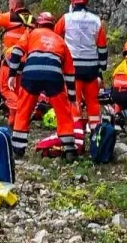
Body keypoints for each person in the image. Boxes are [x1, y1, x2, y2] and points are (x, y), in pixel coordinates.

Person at [7, 12, 77, 161]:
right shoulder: (60, 41)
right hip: (54, 76)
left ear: (38, 23)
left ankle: (18, 150)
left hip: (31, 74)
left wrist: (12, 74)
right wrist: (71, 96)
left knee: (23, 110)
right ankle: (70, 149)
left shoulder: (32, 33)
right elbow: (70, 73)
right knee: (63, 113)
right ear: (53, 26)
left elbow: (16, 51)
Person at [55, 0, 107, 143]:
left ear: (73, 2)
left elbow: (55, 37)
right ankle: (96, 134)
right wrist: (102, 67)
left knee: (74, 101)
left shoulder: (66, 18)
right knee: (93, 102)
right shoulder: (96, 20)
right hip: (91, 68)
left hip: (73, 67)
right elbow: (102, 47)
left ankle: (77, 135)